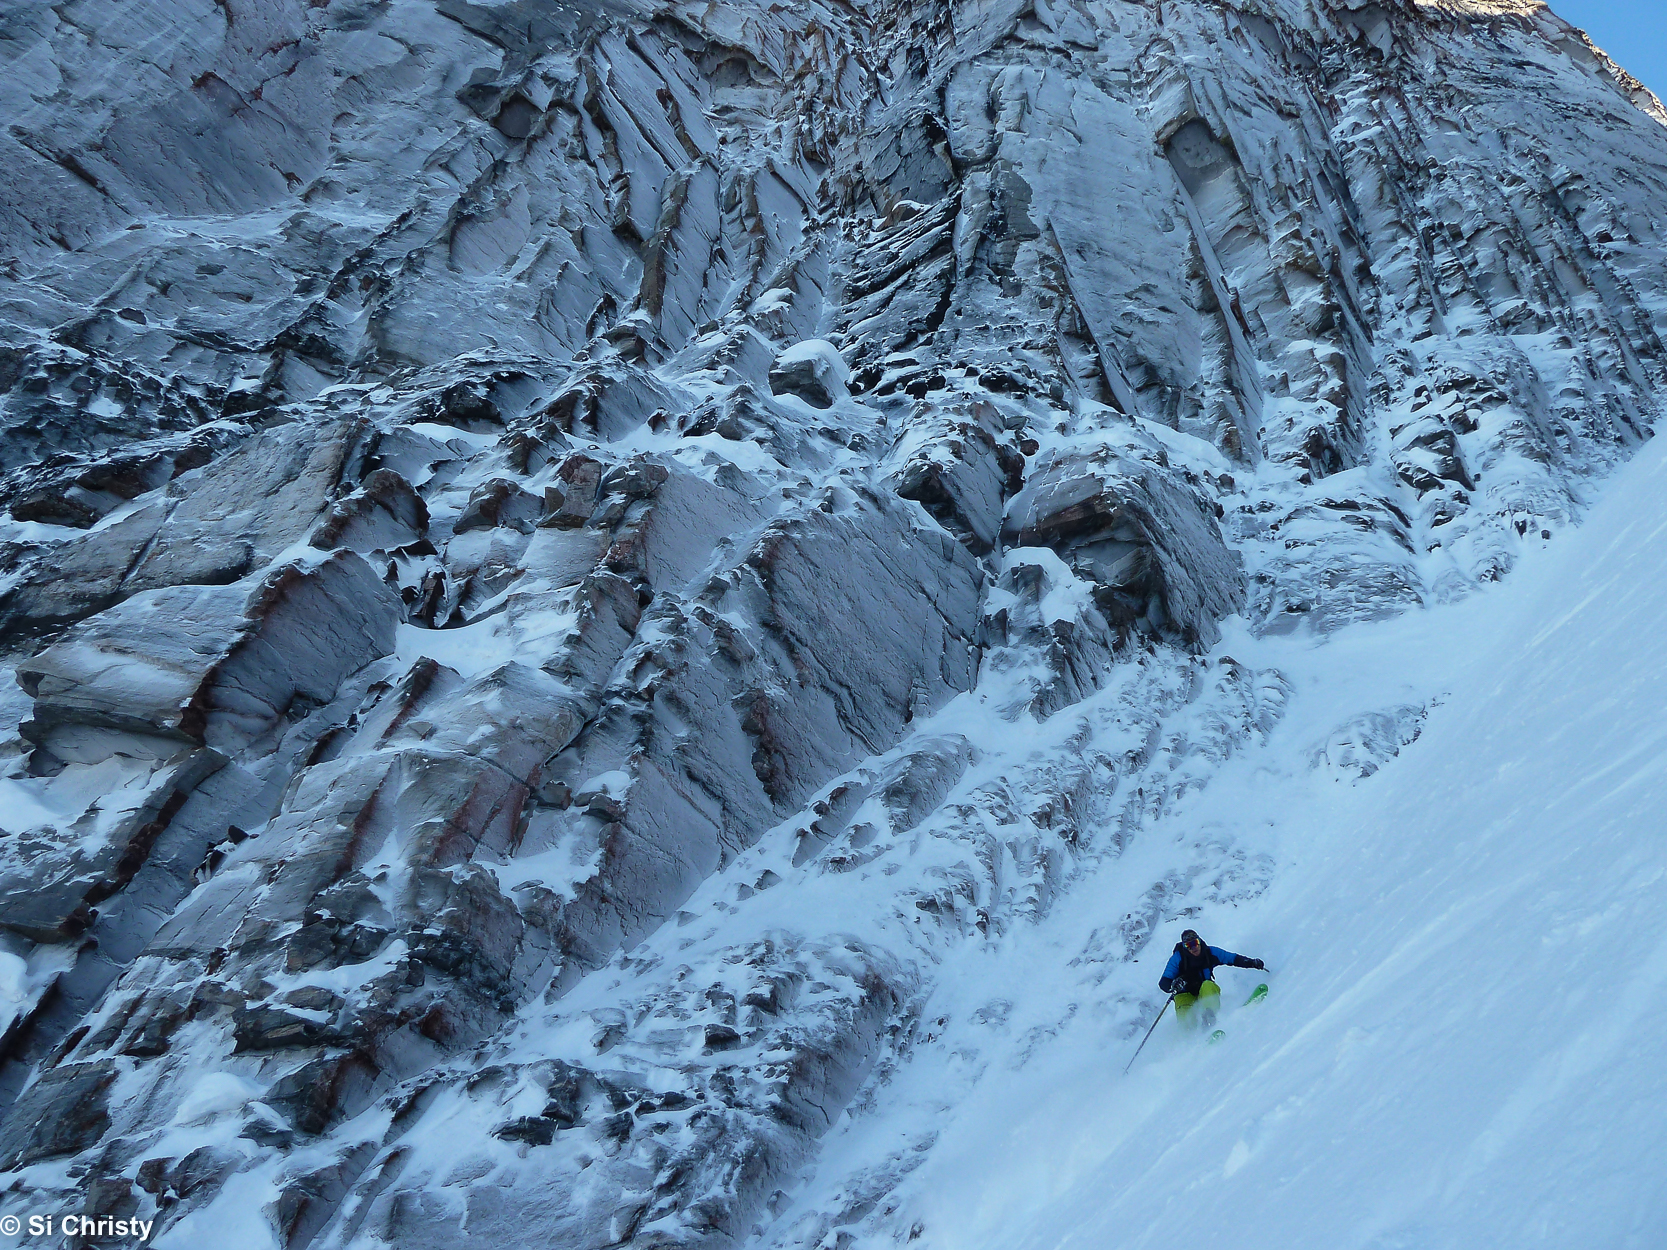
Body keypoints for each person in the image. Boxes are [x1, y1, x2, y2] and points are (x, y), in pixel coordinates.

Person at [1158, 929, 1264, 1030]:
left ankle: (1210, 1018)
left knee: (1208, 985)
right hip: (1184, 993)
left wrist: (1252, 963)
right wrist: (1173, 985)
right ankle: (1189, 1038)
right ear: (1185, 947)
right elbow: (1163, 983)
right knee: (1185, 1020)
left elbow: (1232, 958)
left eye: (1195, 943)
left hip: (1204, 990)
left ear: (1199, 941)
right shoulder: (1178, 959)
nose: (1194, 947)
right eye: (1189, 945)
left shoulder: (1210, 952)